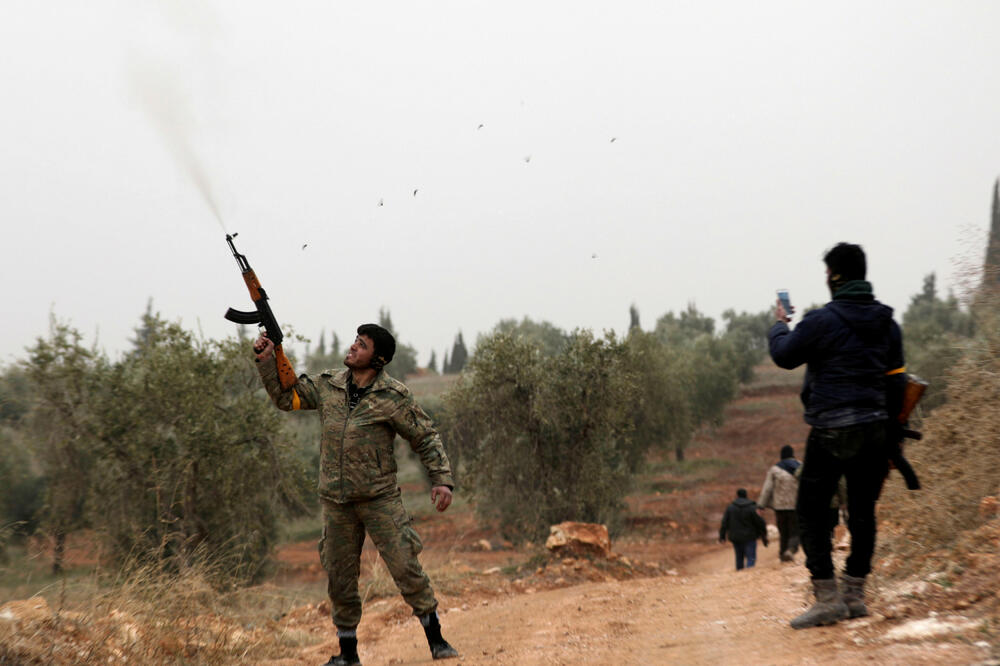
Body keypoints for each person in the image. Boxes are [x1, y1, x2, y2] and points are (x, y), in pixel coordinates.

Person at [254, 324, 459, 665]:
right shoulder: (327, 384)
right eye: (354, 341)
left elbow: (425, 436)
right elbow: (284, 397)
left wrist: (441, 479)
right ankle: (347, 655)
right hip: (336, 502)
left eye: (361, 346)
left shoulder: (394, 397)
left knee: (406, 567)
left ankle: (437, 640)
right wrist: (266, 359)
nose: (352, 348)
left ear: (377, 359)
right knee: (340, 577)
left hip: (380, 499)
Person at [768, 242, 906, 630]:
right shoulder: (887, 324)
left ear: (833, 276)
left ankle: (827, 598)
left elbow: (784, 355)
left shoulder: (820, 321)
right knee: (863, 512)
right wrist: (890, 435)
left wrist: (780, 324)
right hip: (876, 428)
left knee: (811, 510)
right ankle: (855, 594)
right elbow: (897, 383)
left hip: (831, 428)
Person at [757, 445, 801, 562]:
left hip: (780, 507)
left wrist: (761, 505)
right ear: (793, 454)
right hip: (796, 506)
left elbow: (767, 489)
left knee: (783, 532)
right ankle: (791, 550)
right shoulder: (800, 467)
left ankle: (783, 554)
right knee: (795, 531)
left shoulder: (774, 469)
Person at [718, 488, 769, 570]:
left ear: (737, 496)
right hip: (750, 537)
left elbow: (724, 523)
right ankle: (748, 574)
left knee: (739, 557)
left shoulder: (730, 508)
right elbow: (760, 522)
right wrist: (764, 535)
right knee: (751, 557)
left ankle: (740, 574)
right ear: (746, 495)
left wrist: (722, 536)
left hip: (736, 537)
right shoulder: (752, 507)